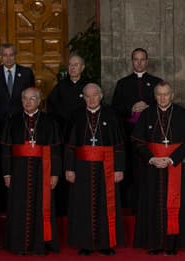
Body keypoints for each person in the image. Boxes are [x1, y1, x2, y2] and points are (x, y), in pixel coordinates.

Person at [132, 81, 185, 256]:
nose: (163, 98)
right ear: (155, 96)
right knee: (151, 203)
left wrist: (171, 159)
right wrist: (152, 158)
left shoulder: (182, 114)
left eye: (166, 94)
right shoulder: (147, 114)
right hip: (152, 167)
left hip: (173, 165)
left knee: (175, 204)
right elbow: (138, 142)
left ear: (172, 95)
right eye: (159, 94)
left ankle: (172, 244)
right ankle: (154, 243)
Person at [65, 82, 125, 256]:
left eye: (94, 95)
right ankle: (85, 243)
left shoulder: (111, 115)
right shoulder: (76, 116)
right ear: (84, 98)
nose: (91, 99)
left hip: (106, 166)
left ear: (101, 96)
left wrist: (119, 168)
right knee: (83, 204)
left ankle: (106, 243)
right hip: (81, 167)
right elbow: (69, 145)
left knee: (106, 203)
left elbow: (119, 144)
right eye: (87, 96)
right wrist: (69, 168)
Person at [2, 86, 61, 255]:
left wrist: (55, 173)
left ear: (39, 101)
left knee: (42, 204)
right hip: (18, 171)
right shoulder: (12, 121)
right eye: (25, 99)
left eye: (32, 99)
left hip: (42, 170)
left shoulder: (50, 121)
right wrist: (7, 173)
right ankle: (18, 243)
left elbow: (55, 150)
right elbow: (6, 149)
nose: (28, 102)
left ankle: (41, 243)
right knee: (18, 206)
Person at [112, 47, 162, 210]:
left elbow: (163, 105)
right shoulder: (123, 83)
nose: (139, 62)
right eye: (136, 59)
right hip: (129, 134)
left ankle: (151, 202)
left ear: (147, 62)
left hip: (151, 134)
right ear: (132, 61)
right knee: (131, 168)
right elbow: (115, 108)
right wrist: (131, 108)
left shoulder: (156, 82)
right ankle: (130, 204)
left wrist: (148, 108)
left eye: (142, 59)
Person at [48, 52, 93, 218]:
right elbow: (52, 110)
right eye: (70, 65)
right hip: (64, 137)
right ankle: (63, 209)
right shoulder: (60, 87)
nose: (73, 68)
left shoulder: (90, 86)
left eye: (76, 65)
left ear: (82, 67)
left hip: (85, 138)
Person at [0, 43, 35, 136]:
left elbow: (32, 95)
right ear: (0, 57)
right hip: (0, 120)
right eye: (5, 55)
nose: (8, 58)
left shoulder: (26, 73)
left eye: (11, 55)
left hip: (21, 119)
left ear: (15, 56)